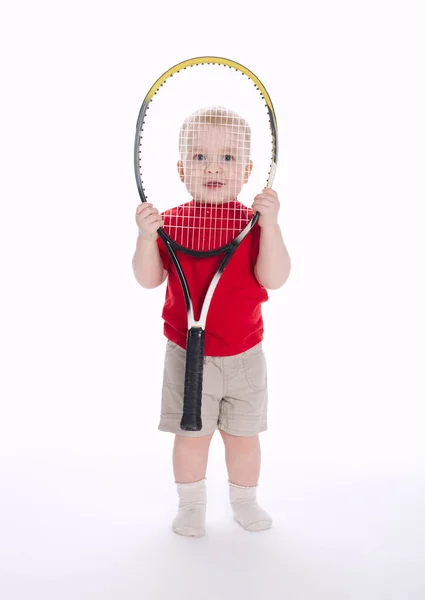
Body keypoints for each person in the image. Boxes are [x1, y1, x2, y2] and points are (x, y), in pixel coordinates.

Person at [132, 107, 291, 537]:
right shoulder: (173, 222)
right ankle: (191, 505)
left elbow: (274, 278)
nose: (213, 167)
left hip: (245, 355)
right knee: (191, 437)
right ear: (182, 169)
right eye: (199, 158)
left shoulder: (254, 224)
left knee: (243, 437)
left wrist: (272, 225)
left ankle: (245, 501)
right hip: (187, 355)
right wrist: (147, 238)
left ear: (248, 170)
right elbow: (148, 280)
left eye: (227, 157)